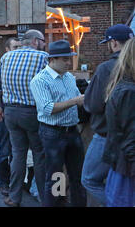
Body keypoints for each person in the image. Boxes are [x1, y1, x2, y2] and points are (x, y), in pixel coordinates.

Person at [0, 29, 47, 207]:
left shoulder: (6, 58)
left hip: (11, 113)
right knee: (39, 154)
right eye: (43, 41)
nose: (45, 44)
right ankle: (44, 197)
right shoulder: (43, 57)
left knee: (17, 154)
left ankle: (14, 198)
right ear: (36, 41)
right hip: (33, 113)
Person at [30, 40, 87, 207]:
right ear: (52, 59)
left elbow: (78, 100)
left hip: (72, 131)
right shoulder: (40, 80)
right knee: (56, 177)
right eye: (65, 59)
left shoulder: (69, 77)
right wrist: (75, 101)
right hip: (53, 133)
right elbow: (47, 108)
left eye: (69, 59)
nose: (69, 63)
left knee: (77, 176)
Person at [82, 24, 134, 206]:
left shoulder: (106, 68)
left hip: (107, 136)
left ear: (113, 43)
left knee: (89, 179)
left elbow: (92, 105)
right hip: (128, 139)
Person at [103, 38, 135, 207]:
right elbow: (130, 138)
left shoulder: (124, 86)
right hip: (127, 170)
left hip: (122, 166)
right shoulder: (129, 91)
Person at [0, 37, 20, 197]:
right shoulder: (4, 63)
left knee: (17, 150)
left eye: (19, 46)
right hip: (6, 108)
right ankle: (3, 182)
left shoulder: (22, 62)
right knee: (6, 146)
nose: (17, 49)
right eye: (14, 47)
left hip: (19, 110)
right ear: (7, 49)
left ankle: (14, 182)